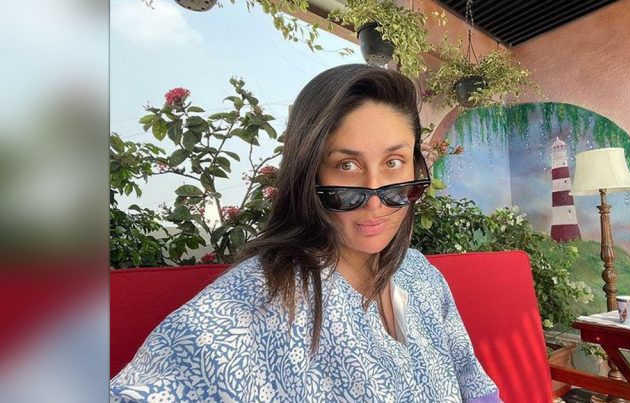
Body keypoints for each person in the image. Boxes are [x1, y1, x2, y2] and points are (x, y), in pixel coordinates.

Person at [110, 64, 501, 402]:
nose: (375, 198)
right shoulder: (261, 297)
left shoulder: (421, 275)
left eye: (394, 162)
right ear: (309, 172)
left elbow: (473, 382)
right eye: (347, 165)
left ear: (416, 165)